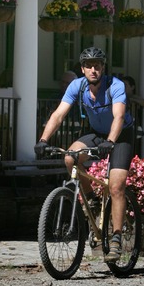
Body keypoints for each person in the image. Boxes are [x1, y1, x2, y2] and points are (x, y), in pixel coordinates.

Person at [35, 47, 135, 262]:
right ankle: (91, 200)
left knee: (117, 186)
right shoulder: (76, 86)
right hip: (98, 133)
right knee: (70, 157)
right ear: (82, 69)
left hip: (121, 135)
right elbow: (59, 114)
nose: (93, 69)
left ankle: (116, 237)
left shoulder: (115, 86)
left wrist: (111, 141)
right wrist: (43, 140)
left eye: (97, 65)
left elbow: (118, 117)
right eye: (88, 66)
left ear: (103, 68)